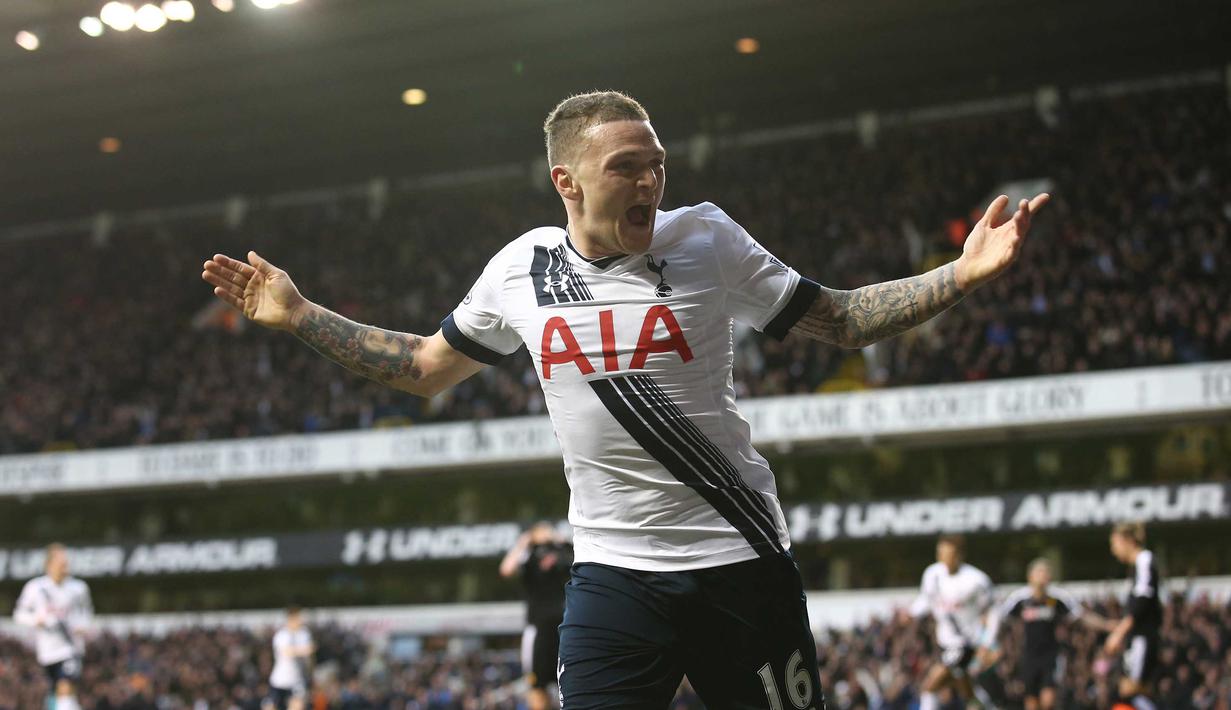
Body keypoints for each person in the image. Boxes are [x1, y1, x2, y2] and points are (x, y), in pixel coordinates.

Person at [202, 90, 1048, 708]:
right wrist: (303, 315)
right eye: (626, 169)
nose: (649, 182)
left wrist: (960, 273)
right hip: (614, 577)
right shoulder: (519, 268)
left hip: (740, 562)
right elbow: (424, 367)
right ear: (566, 181)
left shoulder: (705, 238)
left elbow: (844, 321)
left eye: (657, 166)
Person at [990, 558, 1114, 710]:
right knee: (1032, 704)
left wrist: (1107, 625)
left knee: (1048, 702)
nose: (1043, 576)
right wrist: (992, 646)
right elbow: (998, 619)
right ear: (1030, 576)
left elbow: (1081, 616)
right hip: (1028, 656)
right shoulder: (1020, 599)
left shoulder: (1057, 598)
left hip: (1051, 656)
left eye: (1046, 573)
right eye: (1040, 572)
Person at [909, 535, 996, 710]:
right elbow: (926, 600)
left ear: (959, 555)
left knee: (930, 686)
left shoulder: (976, 580)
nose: (943, 558)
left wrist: (987, 642)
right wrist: (910, 613)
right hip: (944, 643)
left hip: (965, 644)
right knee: (967, 692)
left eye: (948, 553)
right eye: (940, 553)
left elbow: (993, 611)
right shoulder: (932, 574)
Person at [499, 521, 574, 710]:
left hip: (563, 627)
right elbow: (506, 569)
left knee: (569, 680)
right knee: (536, 683)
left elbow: (581, 558)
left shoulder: (561, 552)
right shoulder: (528, 555)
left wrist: (558, 539)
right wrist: (524, 542)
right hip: (538, 627)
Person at [12, 543, 94, 710]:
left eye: (66, 562)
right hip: (47, 651)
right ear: (49, 564)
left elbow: (87, 613)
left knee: (65, 687)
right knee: (61, 694)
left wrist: (83, 626)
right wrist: (37, 620)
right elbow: (19, 614)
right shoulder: (35, 588)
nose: (65, 566)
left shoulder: (78, 588)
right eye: (60, 563)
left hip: (71, 647)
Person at [1104, 522, 1163, 710]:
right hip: (1139, 637)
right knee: (1136, 692)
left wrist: (1119, 632)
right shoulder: (1137, 566)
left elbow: (1142, 600)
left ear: (1127, 541)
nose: (1113, 550)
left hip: (1141, 638)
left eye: (1115, 544)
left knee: (1128, 692)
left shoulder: (1144, 559)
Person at [266, 606, 314, 710]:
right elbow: (286, 651)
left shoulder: (304, 634)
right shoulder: (281, 635)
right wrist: (303, 650)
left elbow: (309, 654)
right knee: (270, 706)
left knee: (297, 705)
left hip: (297, 679)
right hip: (280, 679)